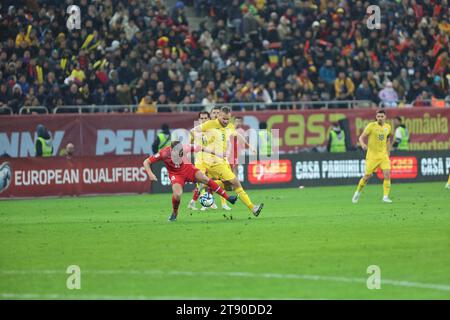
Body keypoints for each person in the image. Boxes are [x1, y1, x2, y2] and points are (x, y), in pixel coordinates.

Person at [192, 106, 263, 217]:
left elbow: (238, 135)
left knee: (229, 186)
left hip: (221, 161)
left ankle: (208, 185)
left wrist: (249, 146)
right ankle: (253, 208)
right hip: (214, 162)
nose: (226, 121)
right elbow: (193, 131)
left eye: (227, 119)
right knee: (236, 182)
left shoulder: (229, 126)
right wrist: (201, 138)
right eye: (224, 119)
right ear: (219, 116)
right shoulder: (210, 124)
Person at [143, 140, 237, 222]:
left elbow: (201, 148)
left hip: (188, 169)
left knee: (205, 179)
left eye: (181, 152)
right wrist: (150, 174)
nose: (180, 155)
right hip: (176, 175)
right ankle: (174, 213)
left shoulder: (185, 148)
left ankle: (228, 198)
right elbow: (146, 162)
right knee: (177, 194)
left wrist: (218, 154)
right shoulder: (163, 153)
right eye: (178, 153)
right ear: (172, 151)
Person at [352, 110, 393, 203]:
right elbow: (361, 137)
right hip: (372, 156)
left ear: (385, 117)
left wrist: (388, 151)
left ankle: (385, 197)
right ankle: (357, 193)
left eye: (382, 116)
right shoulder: (371, 126)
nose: (380, 118)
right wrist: (362, 144)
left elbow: (388, 139)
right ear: (376, 117)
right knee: (367, 176)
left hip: (383, 156)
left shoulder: (388, 127)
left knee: (387, 174)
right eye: (378, 116)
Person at [187, 111, 212, 211]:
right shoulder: (195, 131)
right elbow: (190, 144)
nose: (203, 120)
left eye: (205, 118)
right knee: (202, 182)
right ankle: (204, 203)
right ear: (199, 120)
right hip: (200, 161)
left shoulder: (213, 131)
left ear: (209, 119)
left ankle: (193, 202)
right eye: (201, 118)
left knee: (211, 182)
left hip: (211, 160)